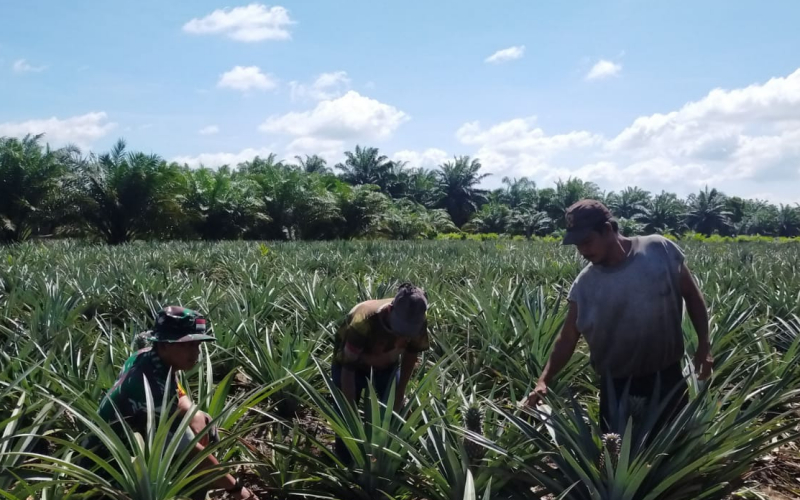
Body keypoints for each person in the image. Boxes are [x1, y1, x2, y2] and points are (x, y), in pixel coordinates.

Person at [522, 199, 713, 436]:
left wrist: (704, 344)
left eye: (587, 241)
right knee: (618, 456)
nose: (582, 251)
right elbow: (568, 336)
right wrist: (544, 380)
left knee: (673, 449)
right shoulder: (585, 285)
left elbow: (692, 296)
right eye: (577, 245)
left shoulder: (659, 249)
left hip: (667, 378)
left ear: (609, 229)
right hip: (618, 387)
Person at [97, 306, 259, 500]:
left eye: (197, 345)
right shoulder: (150, 390)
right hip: (109, 470)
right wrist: (237, 489)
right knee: (190, 457)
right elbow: (191, 453)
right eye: (187, 345)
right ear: (164, 344)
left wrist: (194, 413)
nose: (196, 352)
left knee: (203, 421)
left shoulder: (147, 356)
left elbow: (177, 392)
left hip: (135, 445)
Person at [331, 283, 430, 463]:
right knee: (344, 412)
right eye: (400, 327)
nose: (403, 334)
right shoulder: (363, 321)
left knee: (394, 408)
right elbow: (348, 368)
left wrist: (400, 391)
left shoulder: (418, 319)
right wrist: (350, 409)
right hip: (351, 364)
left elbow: (411, 353)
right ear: (390, 309)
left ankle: (389, 457)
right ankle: (346, 460)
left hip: (387, 365)